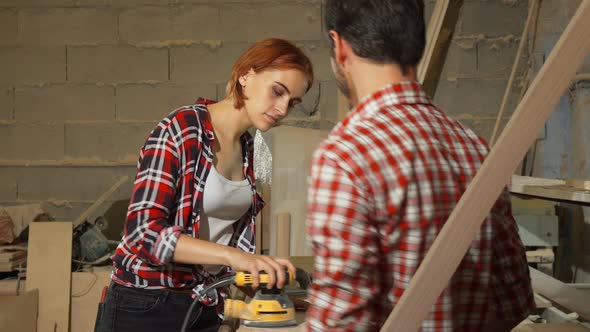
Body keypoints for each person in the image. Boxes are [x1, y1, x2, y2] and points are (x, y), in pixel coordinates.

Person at [305, 1, 535, 331]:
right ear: (417, 42)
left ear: (340, 46)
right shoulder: (473, 147)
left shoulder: (345, 155)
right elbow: (515, 301)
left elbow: (341, 323)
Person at [95, 38, 314, 332]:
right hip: (145, 304)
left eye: (293, 102)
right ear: (245, 76)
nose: (283, 108)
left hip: (204, 303)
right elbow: (143, 232)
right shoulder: (181, 129)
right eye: (278, 92)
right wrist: (237, 257)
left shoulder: (248, 147)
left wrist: (269, 287)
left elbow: (224, 244)